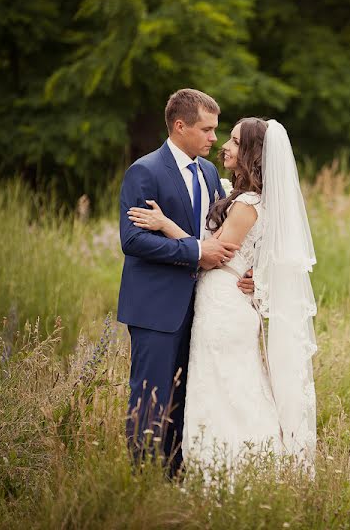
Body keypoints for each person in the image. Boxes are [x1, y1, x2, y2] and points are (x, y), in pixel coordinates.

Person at [127, 117, 318, 479]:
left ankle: (241, 472)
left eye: (233, 141)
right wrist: (255, 276)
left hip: (224, 307)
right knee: (217, 385)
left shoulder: (247, 204)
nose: (223, 146)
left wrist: (165, 224)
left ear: (251, 153)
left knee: (227, 387)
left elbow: (215, 252)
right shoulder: (236, 193)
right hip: (220, 300)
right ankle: (212, 468)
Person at [117, 88, 253, 477]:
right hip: (157, 307)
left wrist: (250, 270)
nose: (215, 137)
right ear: (180, 126)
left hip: (204, 305)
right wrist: (196, 253)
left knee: (184, 397)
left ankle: (175, 476)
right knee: (150, 397)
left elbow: (224, 233)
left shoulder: (209, 173)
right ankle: (144, 481)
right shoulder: (145, 171)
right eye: (207, 130)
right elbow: (133, 240)